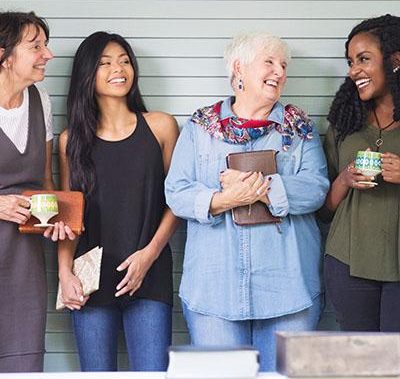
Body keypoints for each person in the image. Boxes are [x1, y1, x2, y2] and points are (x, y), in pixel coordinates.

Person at [165, 32, 329, 371]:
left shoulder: (299, 128)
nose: (279, 72)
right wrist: (225, 199)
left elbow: (316, 188)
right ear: (239, 68)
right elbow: (176, 191)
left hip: (289, 291)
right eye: (269, 62)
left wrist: (263, 189)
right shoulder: (200, 127)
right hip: (214, 291)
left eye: (283, 65)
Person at [57, 31, 179, 371]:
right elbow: (67, 216)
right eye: (105, 62)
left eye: (125, 61)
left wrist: (149, 255)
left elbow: (177, 202)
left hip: (149, 272)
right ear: (87, 73)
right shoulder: (71, 141)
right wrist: (65, 273)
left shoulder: (161, 127)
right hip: (89, 279)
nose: (119, 69)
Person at [0, 11, 75, 372]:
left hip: (22, 259)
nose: (48, 54)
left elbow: (45, 181)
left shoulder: (39, 99)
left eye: (45, 45)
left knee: (22, 364)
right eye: (36, 46)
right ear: (4, 54)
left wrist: (54, 222)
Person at [323, 14, 400, 331]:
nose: (354, 70)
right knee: (360, 363)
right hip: (347, 263)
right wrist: (344, 179)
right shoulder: (344, 122)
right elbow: (323, 209)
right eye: (350, 61)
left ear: (395, 60)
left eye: (364, 59)